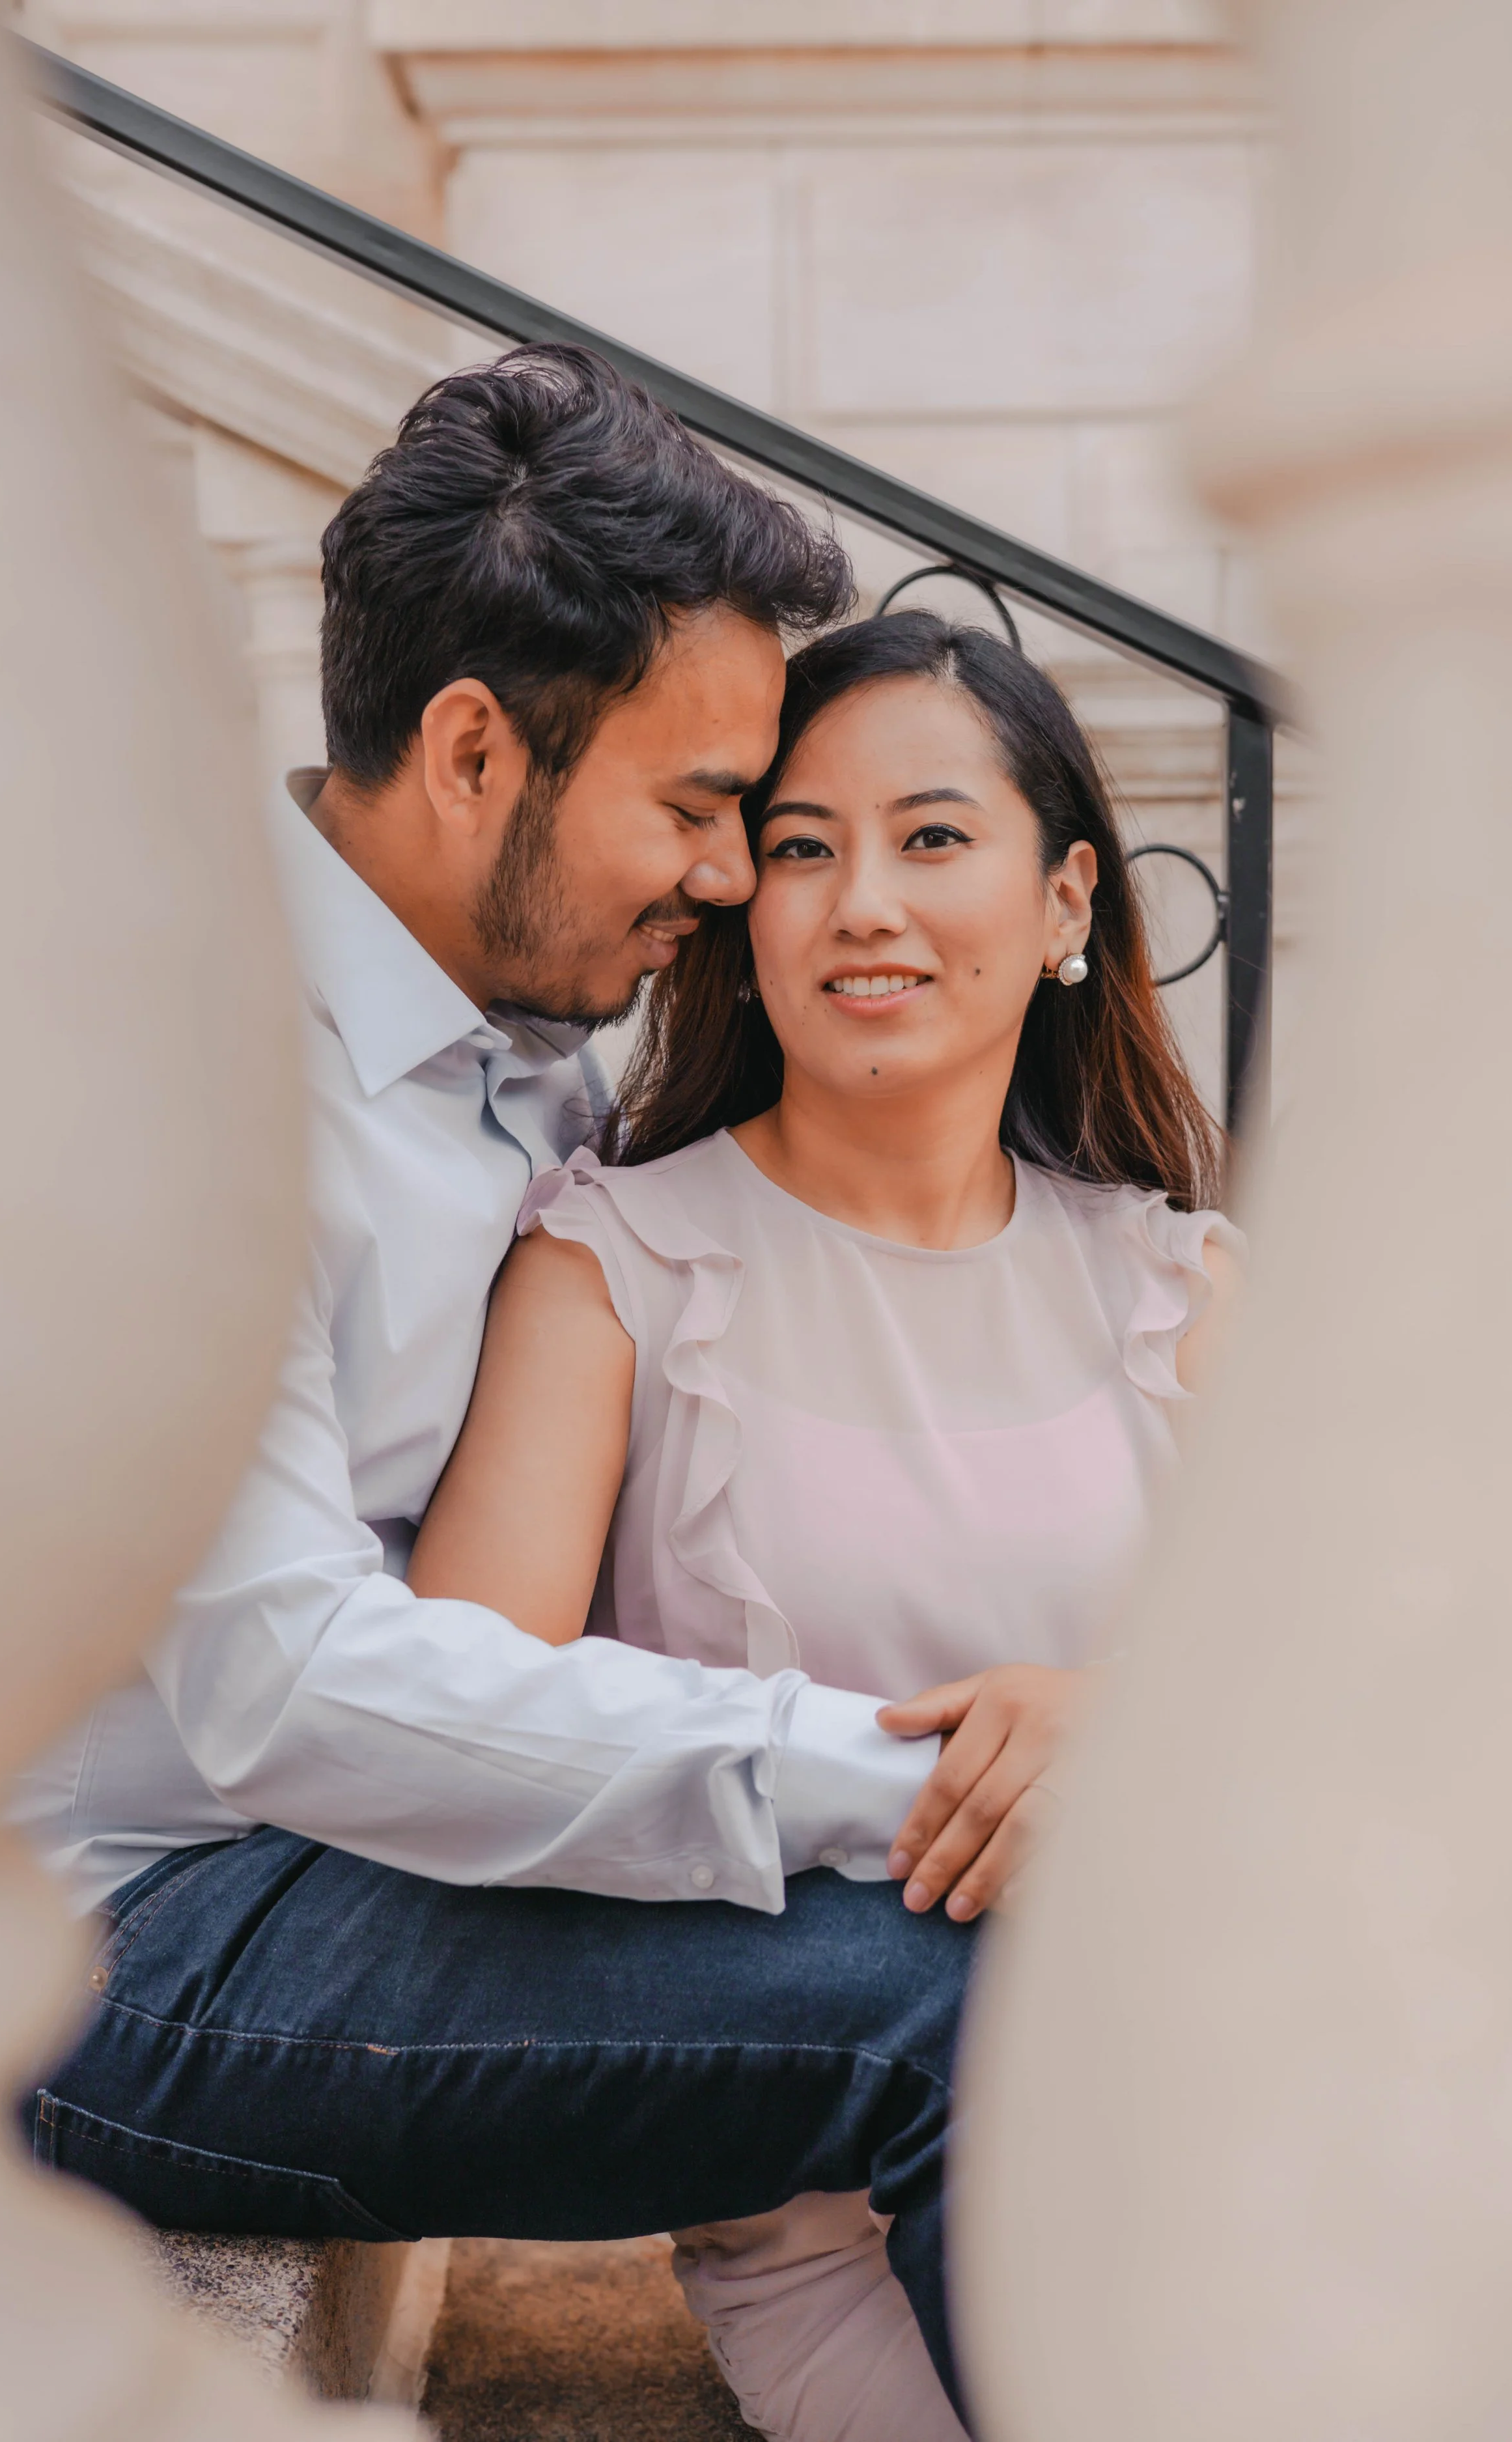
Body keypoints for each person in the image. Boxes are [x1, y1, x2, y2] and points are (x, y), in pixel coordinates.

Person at [10, 347, 1020, 2429]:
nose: (730, 878)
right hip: (131, 1941)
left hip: (342, 1849)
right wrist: (894, 1772)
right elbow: (285, 1683)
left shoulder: (525, 1029)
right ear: (473, 748)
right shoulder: (190, 1070)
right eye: (697, 805)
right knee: (964, 1996)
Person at [408, 609, 1242, 2439]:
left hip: (1233, 2099)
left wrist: (1141, 1727)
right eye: (800, 848)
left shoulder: (1183, 1292)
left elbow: (1401, 1725)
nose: (863, 903)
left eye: (932, 837)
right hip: (833, 2196)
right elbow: (456, 1730)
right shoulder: (610, 1268)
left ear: (1065, 898)